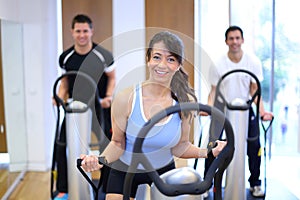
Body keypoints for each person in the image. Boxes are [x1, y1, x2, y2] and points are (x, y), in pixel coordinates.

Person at [80, 31, 227, 200]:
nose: (162, 65)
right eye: (157, 57)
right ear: (148, 59)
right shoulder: (125, 98)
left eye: (171, 59)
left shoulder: (185, 101)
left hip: (163, 169)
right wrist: (99, 160)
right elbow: (117, 143)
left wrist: (208, 151)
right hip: (125, 169)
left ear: (178, 65)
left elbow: (181, 146)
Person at [204, 25, 273, 198]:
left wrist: (263, 112)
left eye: (237, 38)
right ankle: (207, 184)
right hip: (223, 109)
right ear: (226, 41)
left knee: (254, 146)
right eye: (231, 38)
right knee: (213, 145)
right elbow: (213, 91)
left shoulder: (253, 61)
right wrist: (208, 109)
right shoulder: (218, 63)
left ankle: (255, 184)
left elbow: (255, 90)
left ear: (242, 40)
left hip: (245, 109)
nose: (234, 42)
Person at [53, 14, 115, 199]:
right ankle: (64, 188)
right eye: (78, 31)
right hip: (75, 108)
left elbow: (112, 78)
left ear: (91, 31)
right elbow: (65, 82)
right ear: (72, 32)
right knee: (60, 145)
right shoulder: (66, 57)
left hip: (99, 107)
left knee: (109, 146)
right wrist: (59, 96)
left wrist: (109, 97)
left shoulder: (103, 55)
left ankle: (106, 187)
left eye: (85, 31)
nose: (82, 35)